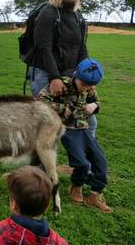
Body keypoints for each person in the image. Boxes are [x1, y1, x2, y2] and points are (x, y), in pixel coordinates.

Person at [38, 58, 112, 213]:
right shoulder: (62, 84)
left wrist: (94, 106)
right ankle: (76, 186)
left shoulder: (89, 87)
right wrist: (61, 108)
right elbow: (40, 101)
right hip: (67, 129)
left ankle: (94, 194)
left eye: (91, 86)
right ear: (76, 75)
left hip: (84, 129)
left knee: (101, 163)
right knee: (82, 164)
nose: (87, 89)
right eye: (84, 85)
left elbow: (98, 102)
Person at [29, 0, 97, 136]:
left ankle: (84, 163)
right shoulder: (48, 13)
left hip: (71, 76)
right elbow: (43, 48)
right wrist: (54, 78)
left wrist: (87, 76)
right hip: (45, 74)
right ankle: (39, 163)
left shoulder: (78, 16)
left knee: (88, 122)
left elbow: (81, 48)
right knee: (45, 129)